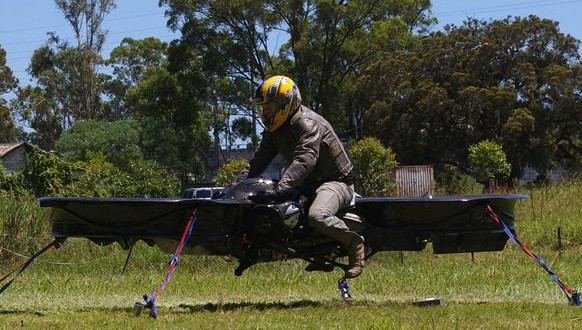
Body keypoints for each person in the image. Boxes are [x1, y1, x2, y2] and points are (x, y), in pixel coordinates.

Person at [246, 75, 365, 279]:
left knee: (317, 216)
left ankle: (355, 244)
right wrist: (237, 188)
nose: (265, 112)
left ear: (285, 103)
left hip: (336, 182)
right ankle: (319, 252)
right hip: (307, 184)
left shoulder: (306, 123)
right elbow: (258, 161)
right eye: (263, 108)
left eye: (269, 106)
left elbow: (305, 159)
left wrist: (280, 189)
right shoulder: (275, 129)